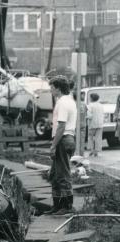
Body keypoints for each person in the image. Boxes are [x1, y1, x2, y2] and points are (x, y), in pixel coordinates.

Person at [48, 77, 77, 215]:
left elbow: (61, 125)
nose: (50, 90)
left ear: (58, 88)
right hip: (68, 138)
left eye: (52, 87)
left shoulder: (63, 103)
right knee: (54, 174)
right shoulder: (69, 101)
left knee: (62, 174)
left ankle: (67, 207)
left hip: (63, 139)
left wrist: (53, 145)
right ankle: (57, 205)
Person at [86, 93, 105, 157]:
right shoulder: (101, 105)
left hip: (92, 124)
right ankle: (97, 151)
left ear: (91, 98)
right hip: (100, 123)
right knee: (98, 138)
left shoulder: (90, 106)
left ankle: (92, 150)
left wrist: (86, 117)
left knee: (90, 137)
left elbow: (89, 116)